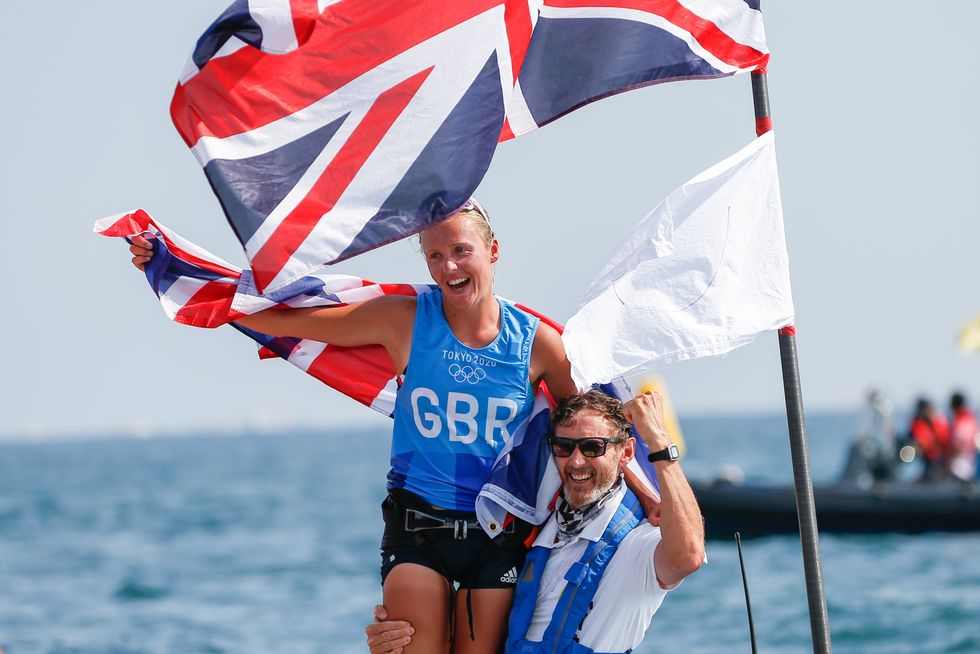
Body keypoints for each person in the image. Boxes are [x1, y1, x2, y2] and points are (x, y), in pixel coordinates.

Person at [130, 199, 578, 654]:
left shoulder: (538, 344)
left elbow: (589, 426)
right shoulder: (403, 319)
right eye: (435, 256)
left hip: (498, 534)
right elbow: (284, 320)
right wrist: (176, 273)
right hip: (417, 528)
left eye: (462, 250)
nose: (449, 266)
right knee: (410, 646)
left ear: (493, 250)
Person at [366, 390, 705, 654]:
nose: (576, 461)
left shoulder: (638, 545)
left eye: (592, 447)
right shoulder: (538, 531)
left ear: (626, 453)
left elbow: (688, 555)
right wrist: (400, 635)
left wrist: (660, 442)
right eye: (564, 447)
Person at [906, 397, 951, 482]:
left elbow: (943, 439)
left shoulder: (938, 421)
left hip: (939, 459)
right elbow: (917, 442)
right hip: (924, 460)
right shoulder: (917, 423)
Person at [947, 391, 978, 482]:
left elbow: (959, 445)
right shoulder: (971, 419)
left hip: (962, 468)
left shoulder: (961, 422)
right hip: (970, 466)